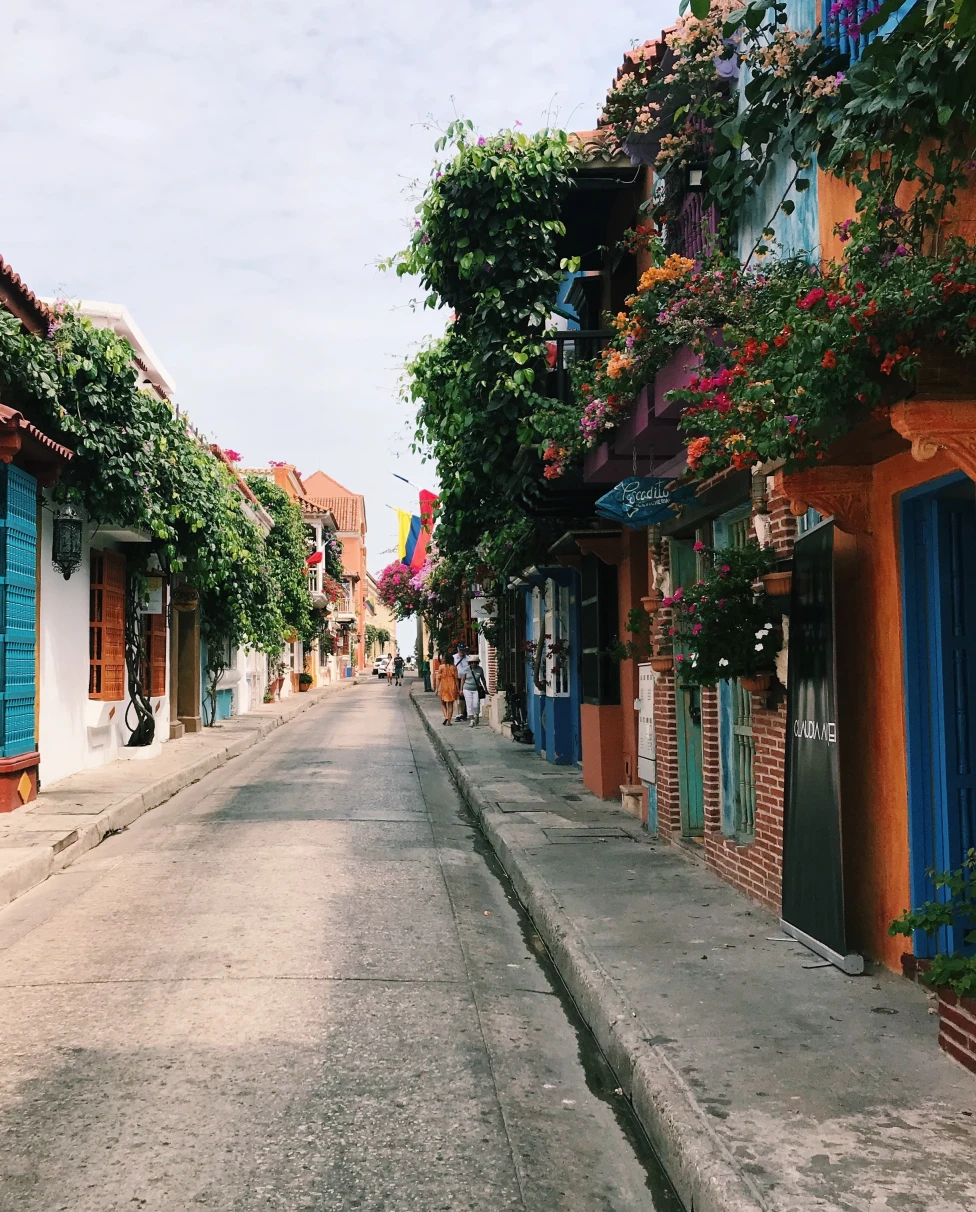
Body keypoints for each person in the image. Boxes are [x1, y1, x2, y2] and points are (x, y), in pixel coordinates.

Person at [461, 653, 489, 727]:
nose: (473, 664)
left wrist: (486, 688)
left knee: (476, 704)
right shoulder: (466, 669)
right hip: (467, 689)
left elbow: (483, 679)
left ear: (477, 663)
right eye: (472, 662)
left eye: (475, 662)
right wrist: (461, 689)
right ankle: (471, 720)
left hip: (476, 689)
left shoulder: (480, 669)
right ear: (469, 663)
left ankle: (476, 715)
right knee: (469, 704)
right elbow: (463, 679)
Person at [434, 651, 459, 724]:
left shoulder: (441, 667)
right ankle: (449, 721)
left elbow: (438, 679)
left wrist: (436, 689)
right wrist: (458, 689)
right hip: (452, 686)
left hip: (444, 686)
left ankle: (446, 717)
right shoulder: (454, 667)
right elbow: (456, 679)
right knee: (450, 704)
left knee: (442, 703)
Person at [453, 643, 470, 720]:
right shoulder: (454, 657)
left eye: (463, 650)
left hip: (466, 679)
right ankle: (458, 714)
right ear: (458, 649)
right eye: (460, 650)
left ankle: (463, 713)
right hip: (456, 679)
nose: (461, 652)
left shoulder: (468, 658)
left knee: (464, 696)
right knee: (457, 696)